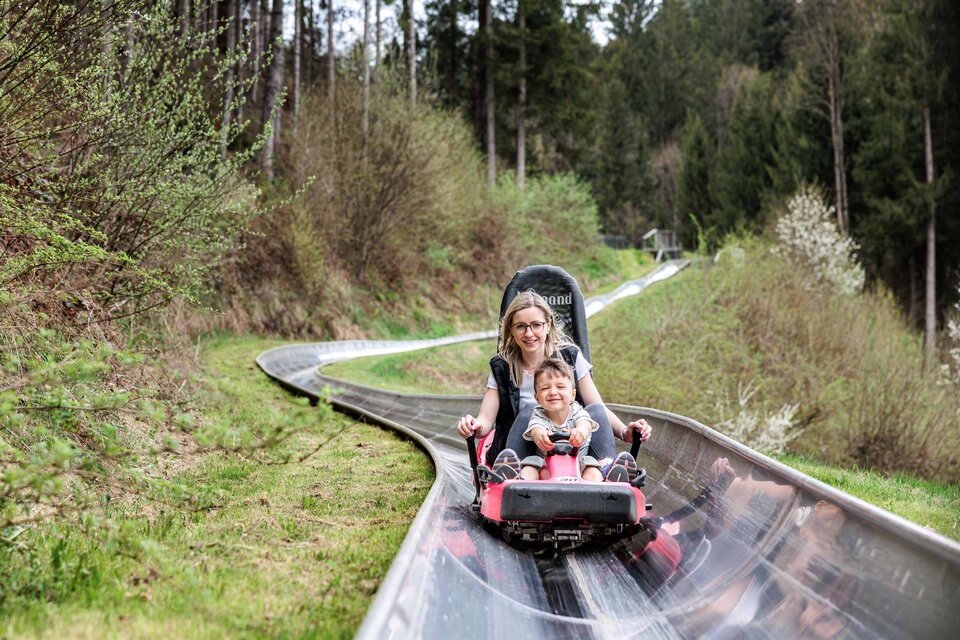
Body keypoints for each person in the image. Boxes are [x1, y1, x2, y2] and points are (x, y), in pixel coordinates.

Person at [456, 291, 651, 481]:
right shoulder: (502, 366)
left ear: (548, 325)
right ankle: (513, 470)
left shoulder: (570, 357)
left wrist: (624, 431)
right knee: (530, 409)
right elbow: (485, 420)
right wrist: (473, 426)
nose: (529, 333)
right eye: (521, 326)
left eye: (536, 325)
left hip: (573, 445)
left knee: (595, 410)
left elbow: (596, 408)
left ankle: (608, 469)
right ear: (512, 330)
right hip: (526, 449)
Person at [518, 358, 602, 481]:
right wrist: (540, 436)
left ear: (573, 394)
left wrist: (581, 431)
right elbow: (536, 428)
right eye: (545, 388)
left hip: (578, 462)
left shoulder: (576, 410)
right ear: (536, 397)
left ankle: (605, 481)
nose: (553, 392)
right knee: (529, 467)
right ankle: (519, 481)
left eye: (560, 387)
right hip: (544, 463)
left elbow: (585, 422)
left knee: (592, 469)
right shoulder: (539, 414)